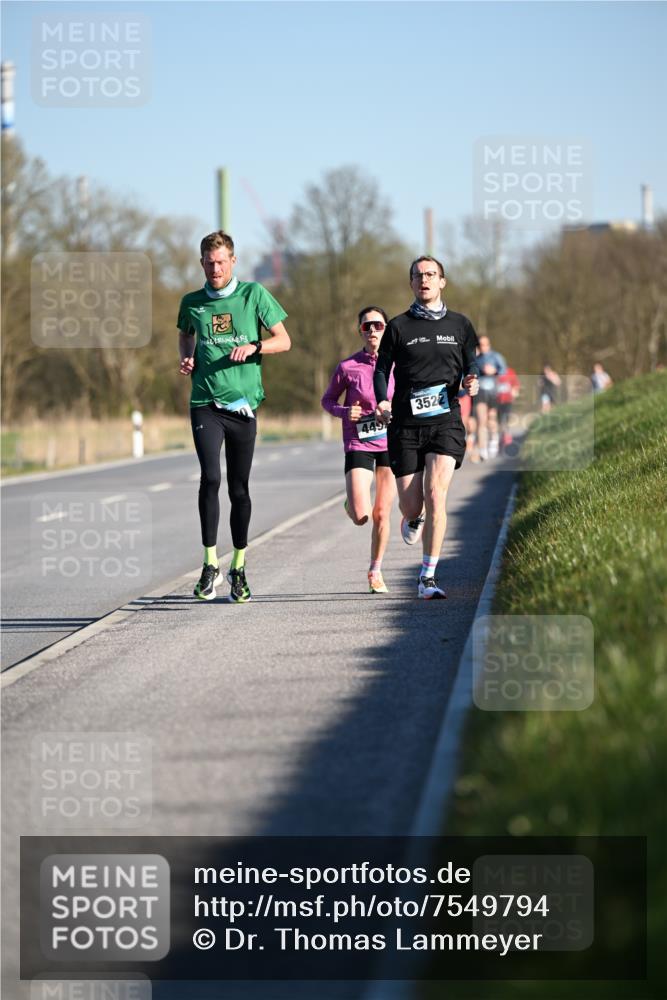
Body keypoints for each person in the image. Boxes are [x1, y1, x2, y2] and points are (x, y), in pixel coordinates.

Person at [178, 230, 291, 602]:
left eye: (221, 262)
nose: (215, 268)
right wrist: (188, 356)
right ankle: (210, 564)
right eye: (209, 263)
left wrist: (256, 345)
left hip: (242, 406)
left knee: (239, 488)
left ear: (233, 261)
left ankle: (238, 566)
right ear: (201, 264)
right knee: (210, 478)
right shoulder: (192, 302)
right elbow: (185, 334)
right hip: (204, 403)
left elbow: (284, 340)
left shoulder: (253, 295)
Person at [373, 255, 479, 600]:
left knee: (436, 494)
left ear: (442, 282)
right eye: (418, 275)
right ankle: (414, 518)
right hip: (405, 425)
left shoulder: (461, 325)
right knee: (411, 506)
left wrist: (472, 380)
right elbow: (380, 370)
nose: (425, 280)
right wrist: (383, 400)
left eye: (431, 274)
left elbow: (471, 365)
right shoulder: (399, 327)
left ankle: (428, 576)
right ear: (411, 283)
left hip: (445, 421)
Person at [321, 307, 396, 593]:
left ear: (386, 328)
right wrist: (344, 411)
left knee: (381, 514)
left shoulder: (398, 365)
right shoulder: (348, 367)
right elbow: (327, 400)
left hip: (390, 443)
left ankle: (375, 571)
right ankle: (351, 505)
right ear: (360, 332)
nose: (373, 330)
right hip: (358, 441)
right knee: (362, 514)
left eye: (378, 325)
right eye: (367, 327)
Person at [475, 335, 506, 460]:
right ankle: (482, 449)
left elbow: (504, 370)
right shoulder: (475, 358)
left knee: (491, 420)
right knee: (481, 420)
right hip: (480, 392)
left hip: (493, 392)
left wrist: (494, 371)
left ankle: (494, 439)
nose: (483, 347)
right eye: (480, 345)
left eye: (485, 344)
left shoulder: (496, 357)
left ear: (489, 344)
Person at [495, 365, 521, 451]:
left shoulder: (510, 371)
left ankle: (506, 437)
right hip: (497, 400)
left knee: (506, 418)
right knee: (498, 420)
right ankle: (500, 437)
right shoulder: (494, 372)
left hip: (507, 400)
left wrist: (515, 391)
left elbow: (516, 384)